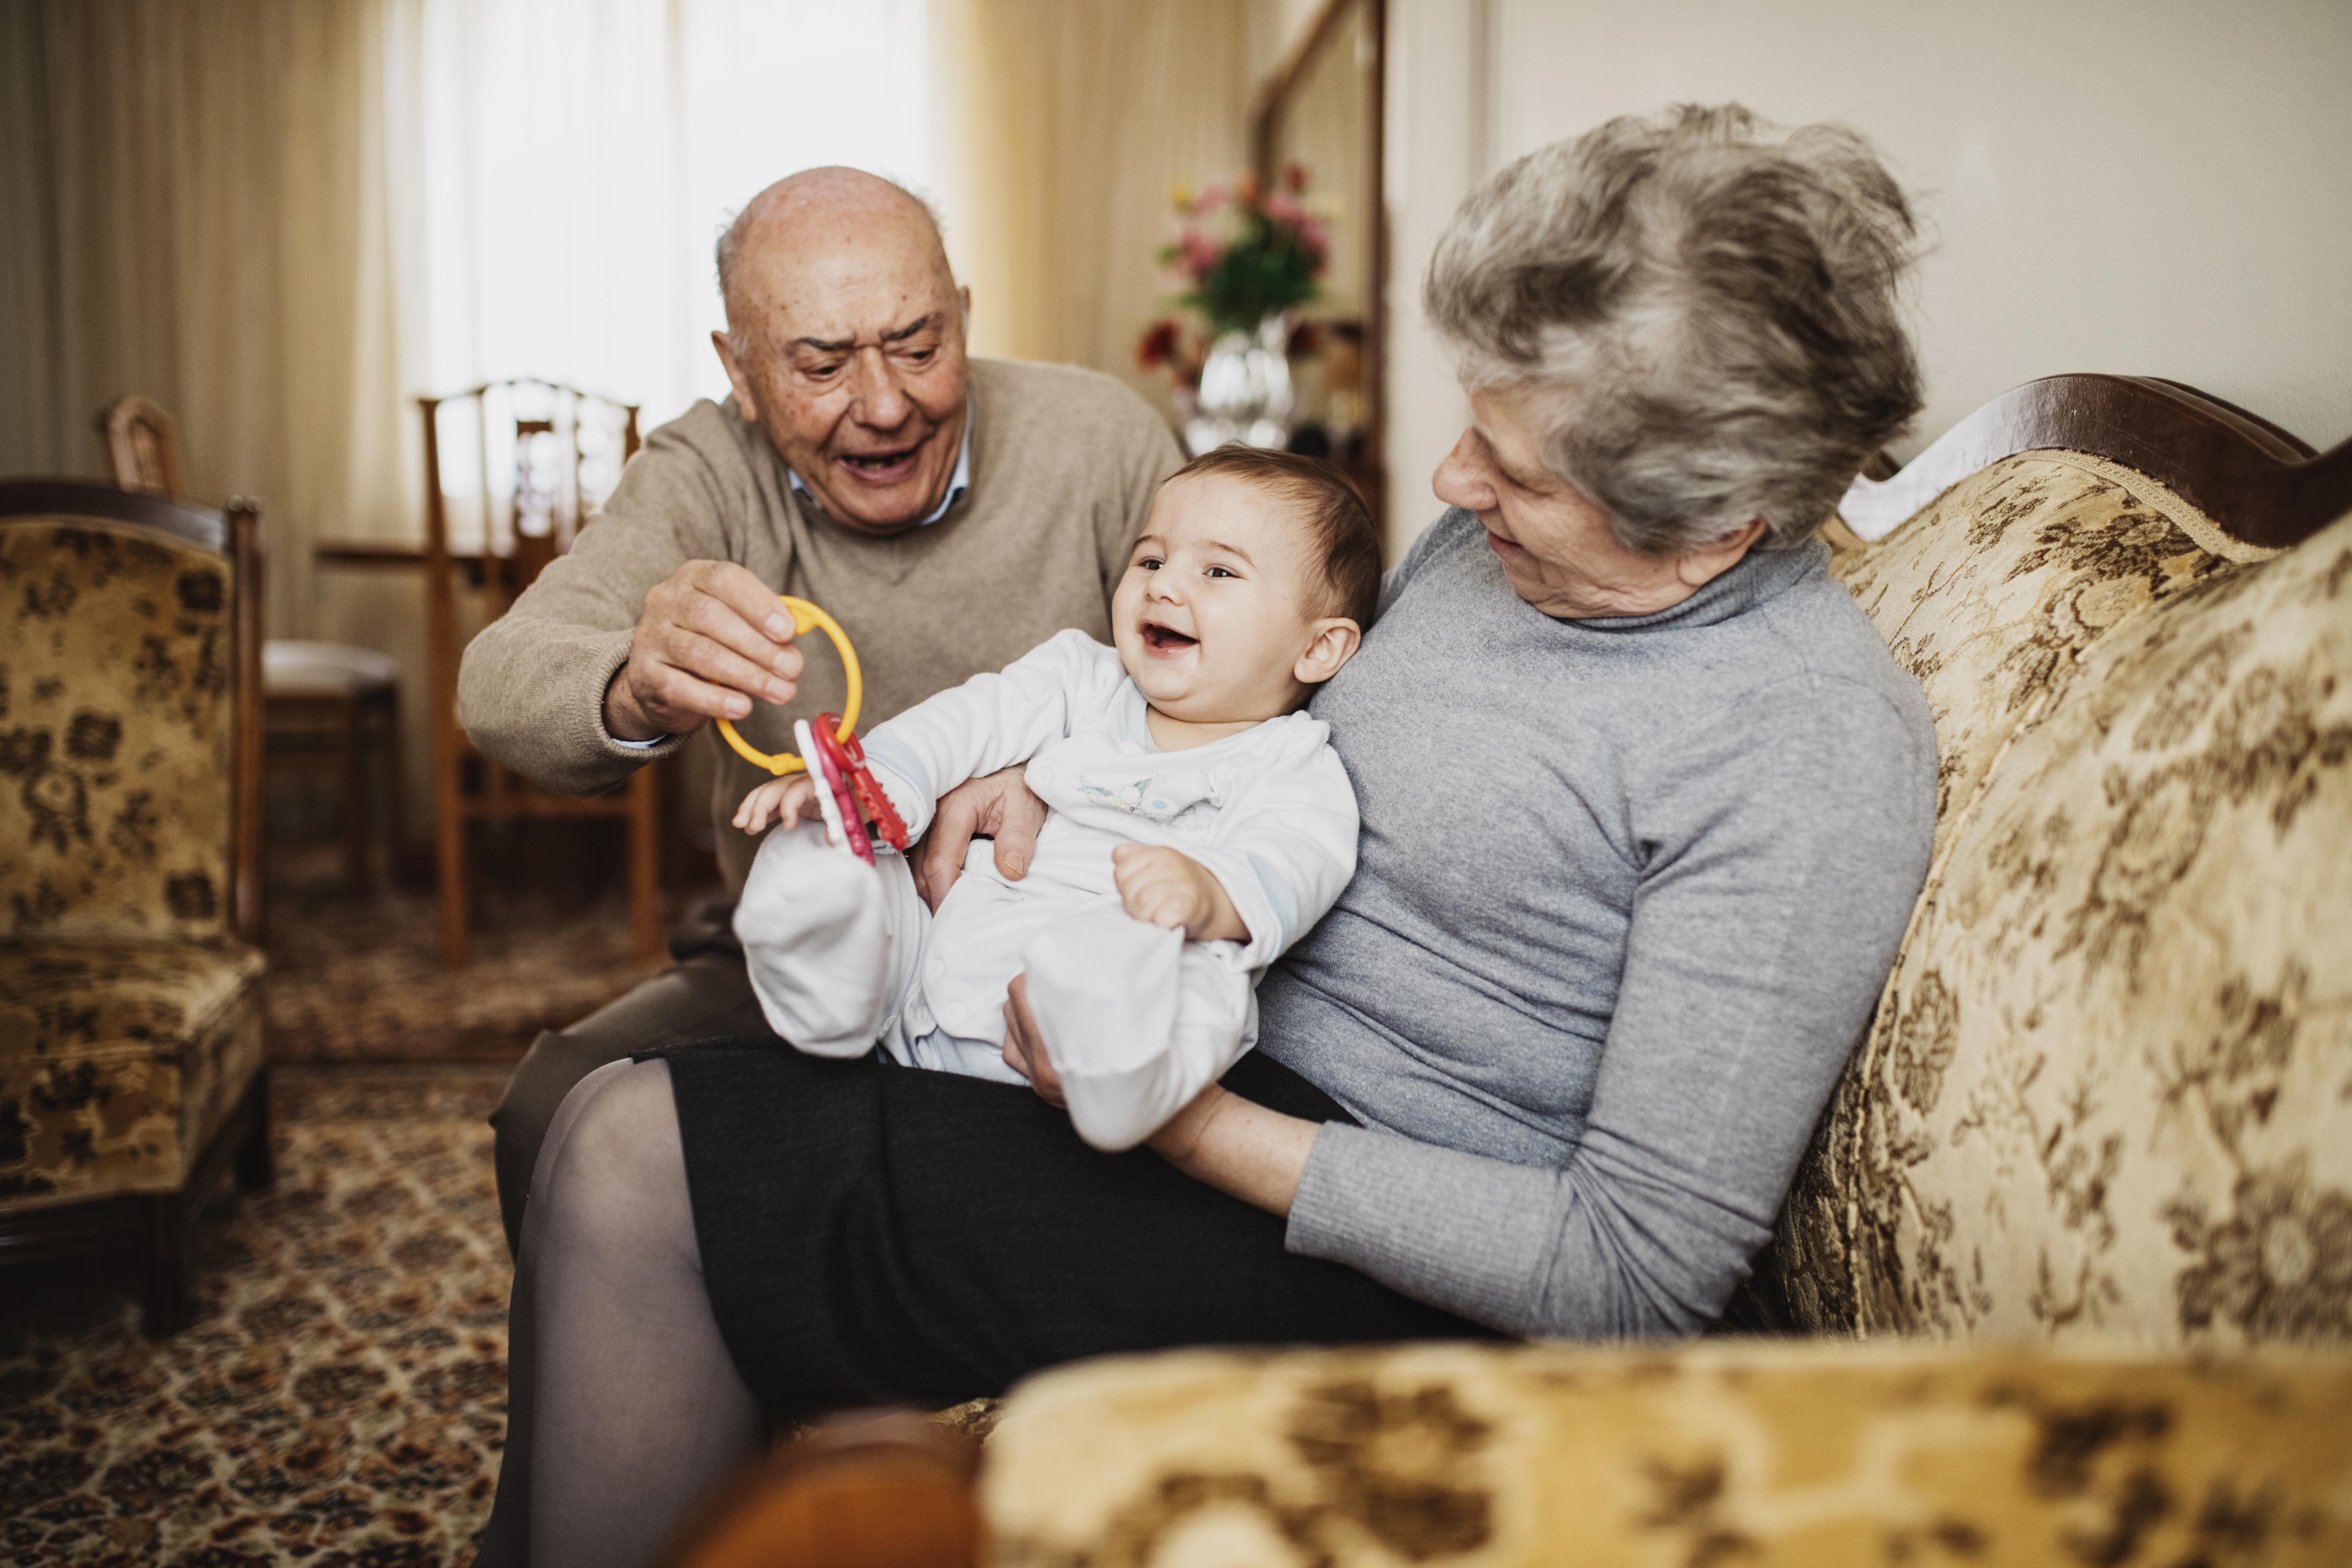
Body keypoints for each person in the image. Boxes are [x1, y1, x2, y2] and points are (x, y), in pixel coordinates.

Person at [475, 104, 1942, 1568]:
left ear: (1721, 515)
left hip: (1353, 1220)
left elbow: (1631, 1267)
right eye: (1474, 431)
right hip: (1184, 1024)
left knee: (637, 1156)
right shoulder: (1492, 558)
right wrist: (1067, 786)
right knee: (611, 1109)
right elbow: (1247, 721)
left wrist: (1192, 1125)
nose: (1448, 486)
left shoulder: (1800, 744)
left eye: (1520, 470)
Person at [457, 167, 1185, 1252]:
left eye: (918, 344)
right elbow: (498, 684)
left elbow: (1258, 671)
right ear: (740, 373)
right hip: (810, 954)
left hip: (1061, 935)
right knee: (556, 1112)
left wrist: (1050, 775)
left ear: (966, 317)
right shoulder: (703, 470)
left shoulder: (1102, 439)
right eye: (821, 363)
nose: (886, 404)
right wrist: (633, 677)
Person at [732, 447, 1380, 1149]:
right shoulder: (1082, 677)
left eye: (1218, 571)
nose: (1164, 588)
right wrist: (875, 786)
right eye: (1151, 560)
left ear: (1319, 650)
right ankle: (828, 984)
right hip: (936, 960)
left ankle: (1118, 1083)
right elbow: (971, 717)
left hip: (1100, 996)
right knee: (817, 834)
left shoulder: (1292, 763)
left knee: (1199, 978)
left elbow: (1299, 860)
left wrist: (1209, 892)